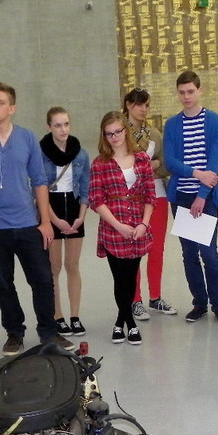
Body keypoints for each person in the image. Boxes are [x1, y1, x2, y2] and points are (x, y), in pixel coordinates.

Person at [0, 82, 76, 355]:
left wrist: (45, 221)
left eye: (0, 102)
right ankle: (14, 332)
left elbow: (39, 180)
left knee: (42, 280)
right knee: (4, 284)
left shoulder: (27, 138)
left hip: (28, 224)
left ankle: (48, 332)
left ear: (12, 108)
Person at [163, 70, 218, 324]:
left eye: (190, 91)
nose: (186, 96)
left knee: (209, 253)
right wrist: (196, 173)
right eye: (182, 92)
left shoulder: (214, 121)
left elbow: (213, 162)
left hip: (207, 198)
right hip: (181, 196)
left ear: (199, 90)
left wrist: (202, 195)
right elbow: (170, 161)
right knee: (189, 253)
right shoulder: (172, 124)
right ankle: (199, 303)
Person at [88, 111, 155, 345]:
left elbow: (150, 195)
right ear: (104, 136)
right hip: (113, 229)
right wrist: (119, 227)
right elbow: (96, 200)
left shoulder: (142, 159)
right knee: (120, 278)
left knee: (131, 276)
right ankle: (131, 324)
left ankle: (120, 320)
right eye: (109, 134)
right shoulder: (100, 164)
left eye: (118, 131)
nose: (114, 137)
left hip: (137, 227)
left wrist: (144, 224)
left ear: (126, 130)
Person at [123, 88, 177, 321]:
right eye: (138, 104)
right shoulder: (119, 131)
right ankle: (135, 300)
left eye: (146, 105)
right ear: (128, 105)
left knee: (157, 248)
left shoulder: (154, 133)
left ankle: (155, 297)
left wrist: (152, 166)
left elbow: (165, 165)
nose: (143, 109)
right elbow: (118, 164)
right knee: (134, 249)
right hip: (131, 197)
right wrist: (144, 165)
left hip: (158, 194)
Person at [40, 106, 89, 337]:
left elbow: (86, 187)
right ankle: (57, 316)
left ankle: (75, 316)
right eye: (58, 125)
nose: (63, 129)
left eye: (66, 124)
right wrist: (54, 220)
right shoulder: (41, 153)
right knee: (54, 267)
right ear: (49, 126)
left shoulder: (80, 153)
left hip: (74, 208)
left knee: (72, 265)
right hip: (51, 208)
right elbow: (38, 188)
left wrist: (82, 216)